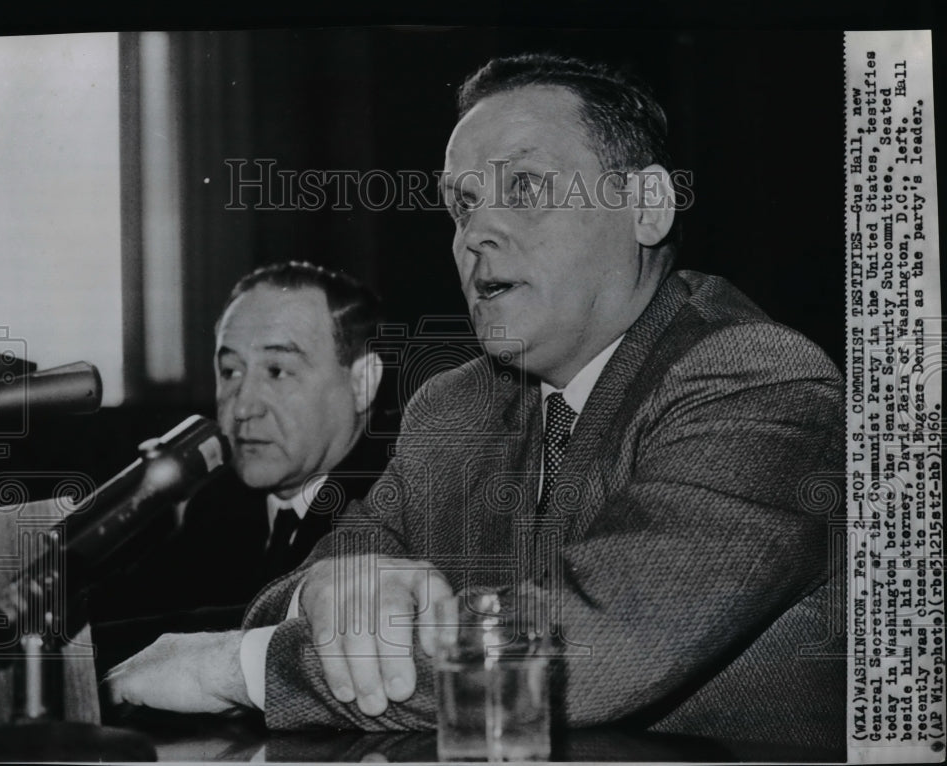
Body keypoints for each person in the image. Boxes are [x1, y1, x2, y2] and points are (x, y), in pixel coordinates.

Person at [106, 54, 845, 750]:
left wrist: (244, 668)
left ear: (647, 206)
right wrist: (332, 594)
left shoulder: (759, 380)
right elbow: (310, 585)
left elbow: (594, 650)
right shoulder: (454, 407)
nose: (475, 234)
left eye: (524, 188)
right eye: (462, 206)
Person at [90, 261, 395, 671]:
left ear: (362, 383)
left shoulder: (395, 500)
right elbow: (126, 616)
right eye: (230, 371)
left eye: (277, 371)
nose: (244, 406)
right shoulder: (217, 500)